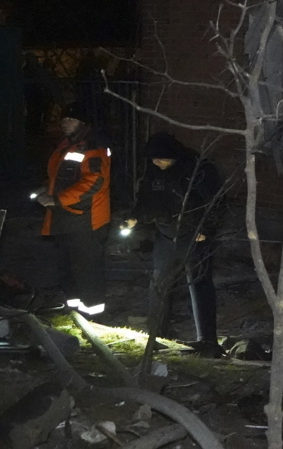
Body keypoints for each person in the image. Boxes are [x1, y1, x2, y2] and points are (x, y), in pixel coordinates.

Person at [125, 132, 224, 354]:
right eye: (152, 159)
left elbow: (216, 201)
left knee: (199, 284)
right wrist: (136, 217)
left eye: (160, 158)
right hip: (165, 235)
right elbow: (147, 199)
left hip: (194, 236)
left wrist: (206, 229)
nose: (155, 162)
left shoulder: (199, 170)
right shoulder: (154, 172)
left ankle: (207, 339)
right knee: (159, 282)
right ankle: (156, 333)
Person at [36, 103, 113, 316]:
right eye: (63, 120)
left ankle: (93, 315)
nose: (65, 123)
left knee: (86, 269)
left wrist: (57, 199)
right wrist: (48, 188)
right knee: (68, 266)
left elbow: (94, 181)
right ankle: (74, 310)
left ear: (82, 123)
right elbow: (62, 175)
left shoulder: (93, 145)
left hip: (86, 218)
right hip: (69, 216)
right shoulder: (68, 144)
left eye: (70, 119)